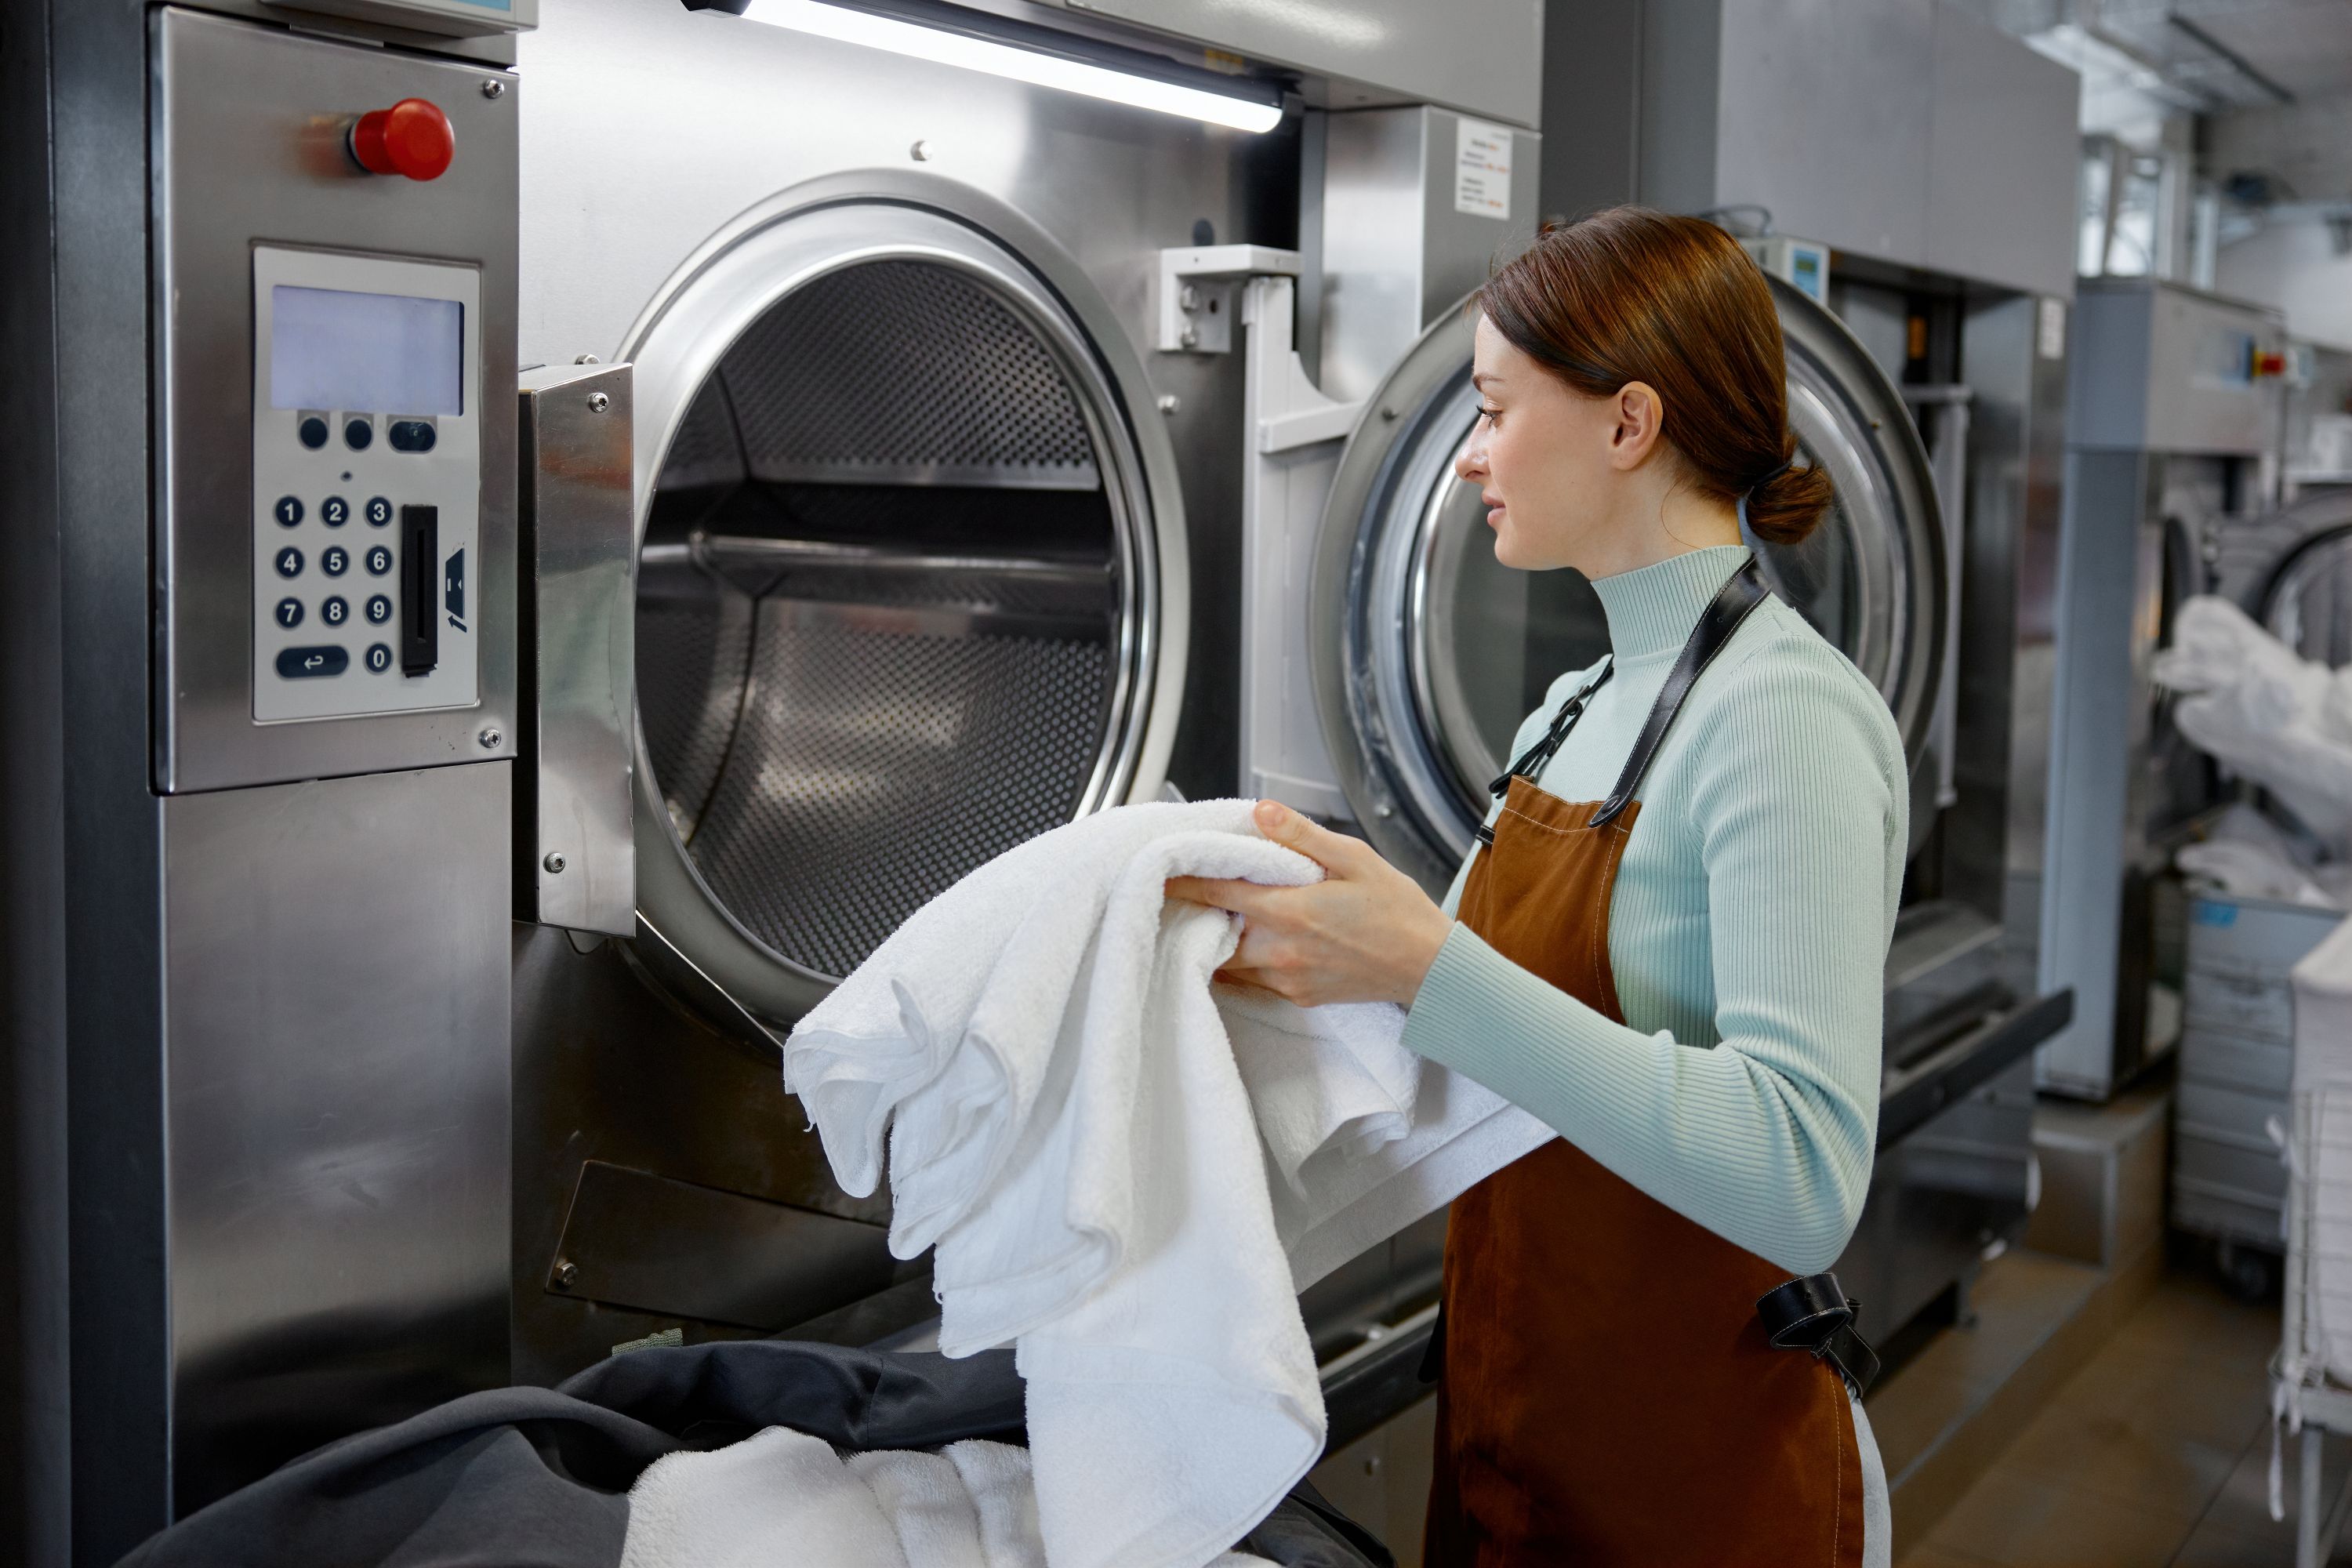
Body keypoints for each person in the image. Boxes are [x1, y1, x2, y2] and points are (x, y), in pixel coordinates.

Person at [1167, 206, 1904, 1567]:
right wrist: (1271, 935)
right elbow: (1469, 1040)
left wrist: (1422, 965)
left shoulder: (1784, 716)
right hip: (1518, 1433)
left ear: (1629, 425)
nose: (1465, 460)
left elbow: (1803, 1173)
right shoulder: (1567, 713)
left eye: (1497, 410)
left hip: (1699, 1482)